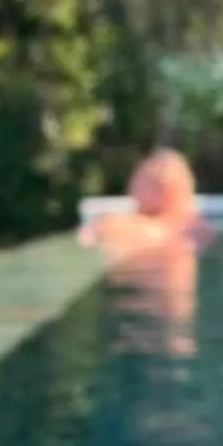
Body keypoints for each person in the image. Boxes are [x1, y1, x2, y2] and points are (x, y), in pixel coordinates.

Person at [79, 148, 209, 355]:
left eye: (139, 181)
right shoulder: (196, 229)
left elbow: (85, 242)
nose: (132, 187)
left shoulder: (114, 224)